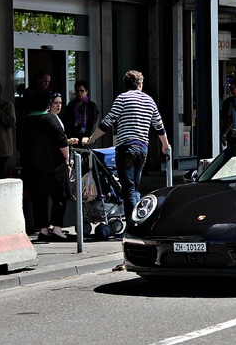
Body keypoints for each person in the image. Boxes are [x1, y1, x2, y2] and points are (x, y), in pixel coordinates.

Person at [84, 70, 171, 223]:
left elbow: (107, 122)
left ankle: (134, 222)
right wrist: (165, 144)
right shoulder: (150, 100)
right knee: (134, 187)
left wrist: (91, 139)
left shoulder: (123, 98)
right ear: (140, 84)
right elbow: (159, 126)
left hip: (126, 148)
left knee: (128, 189)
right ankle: (140, 215)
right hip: (143, 148)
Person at [20, 90, 71, 242]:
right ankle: (57, 228)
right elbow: (62, 142)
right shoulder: (50, 119)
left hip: (33, 167)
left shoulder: (26, 121)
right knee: (59, 196)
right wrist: (67, 160)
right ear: (47, 104)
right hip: (54, 166)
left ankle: (43, 229)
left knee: (39, 198)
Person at [63, 80, 99, 147]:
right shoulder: (71, 105)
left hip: (87, 139)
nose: (79, 93)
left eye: (82, 91)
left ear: (86, 92)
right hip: (74, 140)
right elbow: (66, 122)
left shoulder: (92, 106)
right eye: (77, 91)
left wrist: (89, 138)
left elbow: (94, 124)